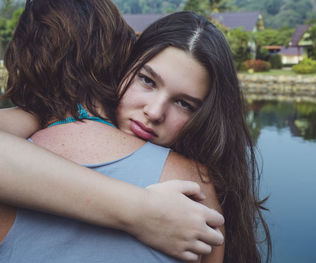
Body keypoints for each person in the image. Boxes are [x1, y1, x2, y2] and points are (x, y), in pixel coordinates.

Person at [0, 2, 271, 263]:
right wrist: (142, 210)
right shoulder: (196, 184)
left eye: (184, 104)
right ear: (120, 66)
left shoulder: (195, 194)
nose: (154, 112)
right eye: (147, 80)